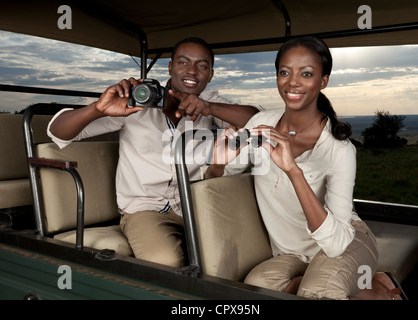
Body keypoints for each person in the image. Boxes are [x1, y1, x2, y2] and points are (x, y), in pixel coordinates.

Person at [205, 36, 406, 300]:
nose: (293, 82)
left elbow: (335, 244)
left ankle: (371, 286)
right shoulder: (260, 122)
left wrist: (294, 172)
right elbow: (220, 176)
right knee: (256, 287)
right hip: (291, 252)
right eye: (284, 72)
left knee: (318, 292)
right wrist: (218, 162)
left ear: (323, 81)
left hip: (344, 242)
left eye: (306, 73)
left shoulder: (340, 149)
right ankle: (369, 289)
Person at [47, 37, 261, 268]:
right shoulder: (137, 100)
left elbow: (259, 120)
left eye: (202, 65)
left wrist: (210, 108)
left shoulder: (209, 101)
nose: (192, 71)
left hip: (196, 204)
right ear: (170, 67)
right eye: (183, 62)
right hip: (145, 209)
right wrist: (98, 109)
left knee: (235, 256)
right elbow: (59, 131)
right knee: (166, 261)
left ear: (210, 75)